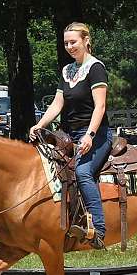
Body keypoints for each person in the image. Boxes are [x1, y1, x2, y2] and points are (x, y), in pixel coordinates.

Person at [29, 22, 112, 250]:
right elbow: (58, 103)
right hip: (68, 134)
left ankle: (99, 230)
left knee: (83, 172)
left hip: (97, 135)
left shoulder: (96, 68)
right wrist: (39, 124)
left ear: (86, 40)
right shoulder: (67, 71)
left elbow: (100, 106)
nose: (69, 46)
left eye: (73, 42)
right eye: (66, 43)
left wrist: (90, 135)